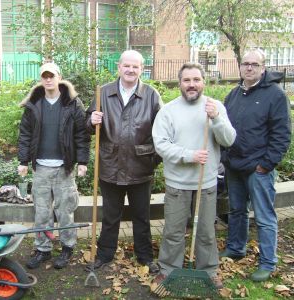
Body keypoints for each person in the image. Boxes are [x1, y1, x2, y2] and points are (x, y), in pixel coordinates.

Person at [152, 63, 236, 288]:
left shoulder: (214, 106)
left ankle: (208, 271)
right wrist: (189, 155)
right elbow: (160, 144)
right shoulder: (168, 111)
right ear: (180, 83)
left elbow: (229, 140)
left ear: (203, 82)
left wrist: (217, 118)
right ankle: (168, 270)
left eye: (196, 80)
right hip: (177, 184)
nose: (192, 84)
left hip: (206, 184)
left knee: (207, 232)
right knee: (173, 232)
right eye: (187, 80)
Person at [86, 50, 162, 274]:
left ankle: (145, 257)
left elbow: (163, 130)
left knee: (142, 216)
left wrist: (153, 159)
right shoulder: (103, 93)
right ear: (118, 67)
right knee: (110, 216)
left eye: (135, 66)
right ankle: (104, 255)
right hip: (110, 165)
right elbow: (87, 126)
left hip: (141, 167)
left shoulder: (151, 95)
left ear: (142, 69)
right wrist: (91, 120)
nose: (130, 70)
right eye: (126, 66)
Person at [220, 49, 291, 282]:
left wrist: (267, 164)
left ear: (263, 68)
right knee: (236, 211)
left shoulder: (275, 95)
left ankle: (268, 263)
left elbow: (281, 135)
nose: (249, 68)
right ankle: (236, 248)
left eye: (254, 64)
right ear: (240, 67)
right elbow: (224, 128)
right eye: (245, 63)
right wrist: (224, 158)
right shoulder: (234, 94)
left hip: (258, 168)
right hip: (234, 166)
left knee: (264, 217)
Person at [18, 62, 90, 269]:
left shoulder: (73, 104)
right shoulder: (34, 104)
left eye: (52, 75)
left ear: (59, 77)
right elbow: (25, 134)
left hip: (64, 168)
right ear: (41, 79)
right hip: (40, 167)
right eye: (44, 76)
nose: (48, 79)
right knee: (41, 212)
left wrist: (82, 161)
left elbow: (82, 135)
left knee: (65, 210)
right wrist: (23, 161)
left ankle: (67, 248)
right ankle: (43, 248)